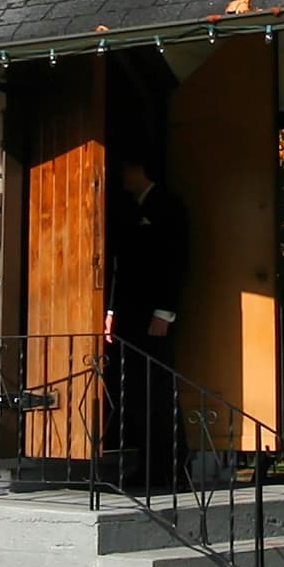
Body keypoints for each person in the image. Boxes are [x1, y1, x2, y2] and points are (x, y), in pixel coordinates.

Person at [105, 157, 192, 491]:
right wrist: (111, 311)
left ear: (138, 168)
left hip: (154, 318)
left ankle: (170, 465)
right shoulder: (129, 209)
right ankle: (147, 465)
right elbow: (118, 264)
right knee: (136, 391)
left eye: (125, 167)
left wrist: (165, 311)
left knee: (157, 388)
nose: (121, 174)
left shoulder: (168, 206)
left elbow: (175, 260)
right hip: (128, 316)